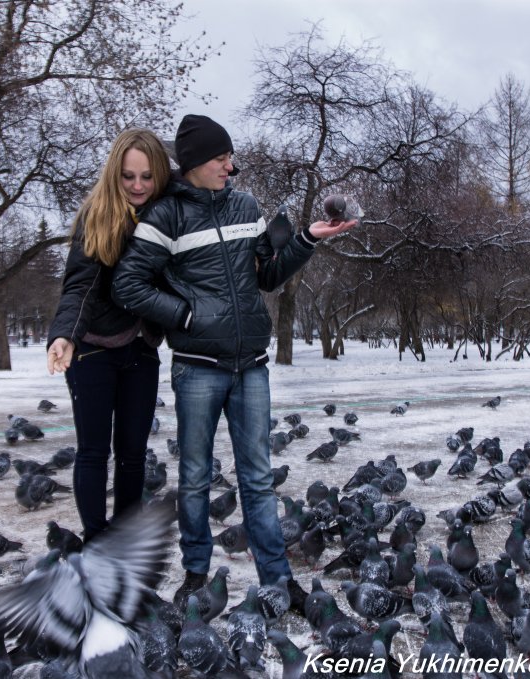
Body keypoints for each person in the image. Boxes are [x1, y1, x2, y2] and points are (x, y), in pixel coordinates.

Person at [111, 114, 357, 610]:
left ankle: (277, 577)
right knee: (197, 477)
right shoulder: (166, 217)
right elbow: (128, 284)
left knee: (259, 477)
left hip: (251, 366)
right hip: (197, 367)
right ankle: (197, 574)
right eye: (223, 158)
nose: (231, 165)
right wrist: (185, 312)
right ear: (198, 162)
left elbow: (267, 277)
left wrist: (307, 238)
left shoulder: (247, 206)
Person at [46, 128, 170, 542]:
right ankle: (96, 541)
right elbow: (79, 287)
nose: (137, 185)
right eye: (128, 176)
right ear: (114, 174)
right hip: (93, 350)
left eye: (147, 176)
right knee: (95, 452)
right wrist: (65, 335)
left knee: (134, 454)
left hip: (142, 348)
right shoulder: (95, 216)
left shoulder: (168, 215)